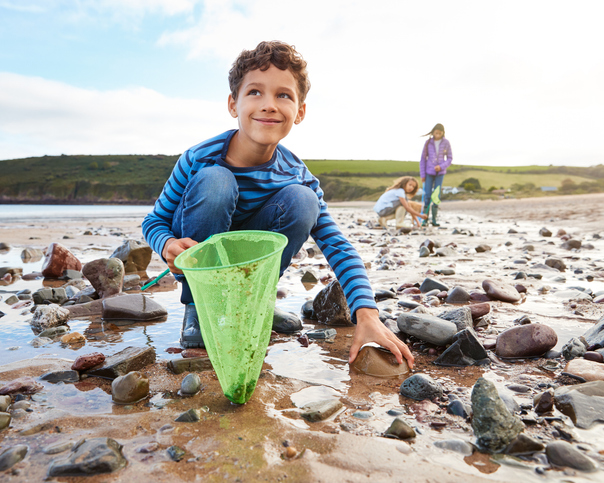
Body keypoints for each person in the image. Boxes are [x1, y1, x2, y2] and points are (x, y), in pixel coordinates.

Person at [142, 40, 414, 369]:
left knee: (303, 200)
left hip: (252, 258)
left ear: (299, 111)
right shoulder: (198, 158)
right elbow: (154, 222)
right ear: (233, 104)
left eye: (283, 95)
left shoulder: (297, 174)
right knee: (217, 181)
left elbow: (337, 244)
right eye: (255, 92)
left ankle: (253, 300)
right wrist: (168, 243)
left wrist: (367, 314)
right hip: (202, 265)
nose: (269, 105)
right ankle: (201, 309)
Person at [419, 123, 453, 226]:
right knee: (427, 195)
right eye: (436, 133)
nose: (438, 135)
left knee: (436, 196)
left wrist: (441, 166)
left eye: (440, 133)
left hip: (440, 173)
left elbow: (450, 158)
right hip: (429, 172)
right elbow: (423, 159)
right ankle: (425, 219)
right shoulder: (428, 143)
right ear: (433, 132)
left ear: (443, 133)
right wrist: (422, 175)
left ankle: (434, 220)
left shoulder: (446, 143)